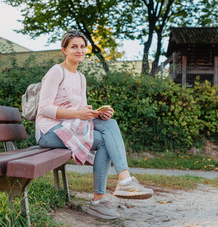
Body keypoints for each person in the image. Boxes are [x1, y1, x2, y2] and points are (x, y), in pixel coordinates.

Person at [35, 30, 153, 220]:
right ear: (64, 49)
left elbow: (81, 110)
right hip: (49, 131)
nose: (79, 50)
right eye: (74, 46)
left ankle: (106, 194)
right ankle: (119, 185)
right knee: (104, 139)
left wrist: (98, 114)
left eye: (82, 46)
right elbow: (44, 109)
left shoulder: (81, 77)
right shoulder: (56, 71)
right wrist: (78, 113)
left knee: (109, 124)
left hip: (71, 126)